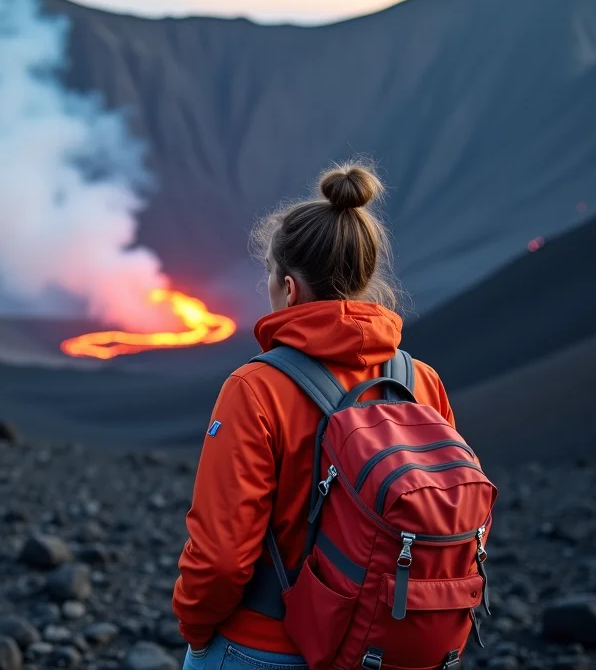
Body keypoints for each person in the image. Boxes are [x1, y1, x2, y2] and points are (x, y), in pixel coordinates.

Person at [172, 162, 457, 669]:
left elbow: (220, 557)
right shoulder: (422, 382)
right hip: (388, 647)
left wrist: (196, 631)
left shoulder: (255, 389)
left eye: (269, 279)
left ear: (289, 288)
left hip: (265, 647)